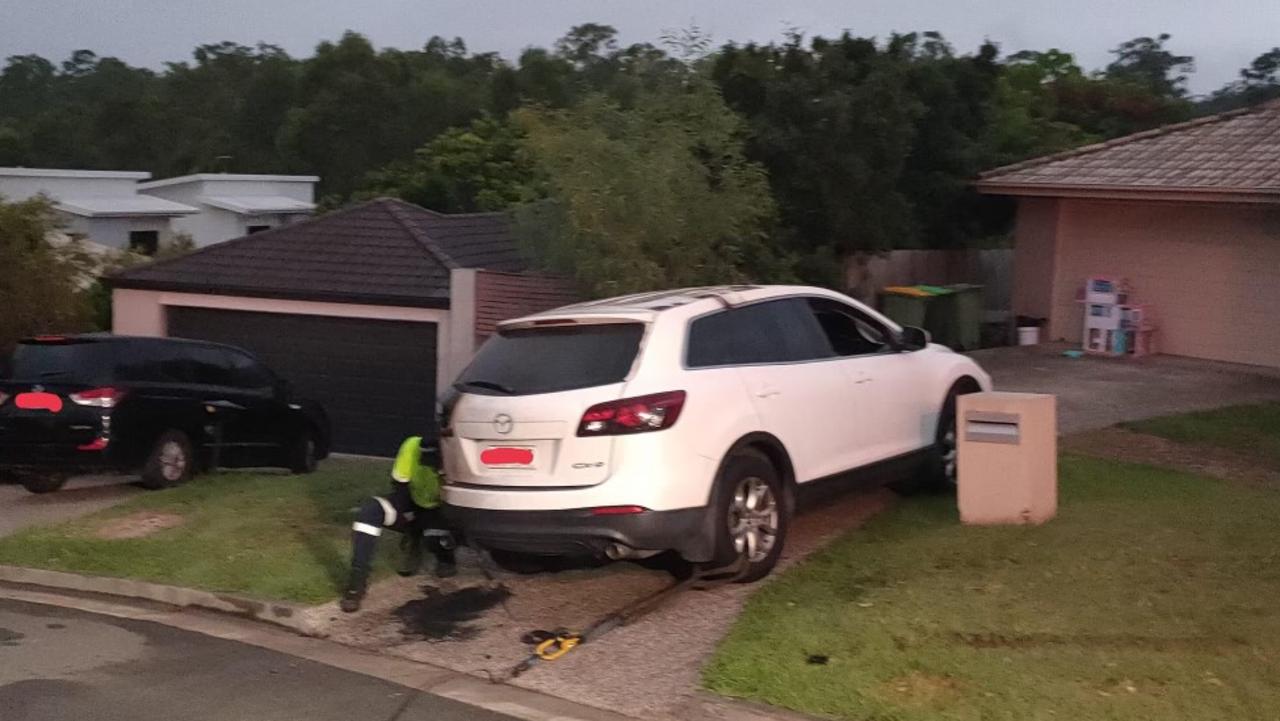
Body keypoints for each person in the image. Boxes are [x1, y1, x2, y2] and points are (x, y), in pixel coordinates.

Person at [341, 436, 457, 613]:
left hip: (440, 510)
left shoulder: (458, 454)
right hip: (411, 505)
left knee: (434, 537)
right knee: (370, 511)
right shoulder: (411, 446)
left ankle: (445, 557)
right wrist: (407, 516)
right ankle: (357, 582)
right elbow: (400, 488)